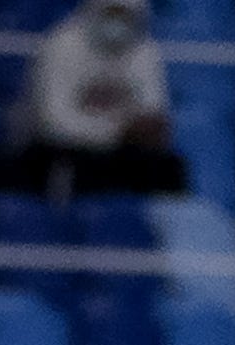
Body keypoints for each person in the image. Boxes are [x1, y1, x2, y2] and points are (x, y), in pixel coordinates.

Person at [20, 0, 187, 197]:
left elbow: (152, 112)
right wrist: (118, 132)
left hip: (125, 153)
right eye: (111, 13)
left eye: (123, 15)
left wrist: (140, 131)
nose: (116, 22)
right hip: (69, 152)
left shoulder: (146, 51)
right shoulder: (61, 45)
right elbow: (54, 122)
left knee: (170, 168)